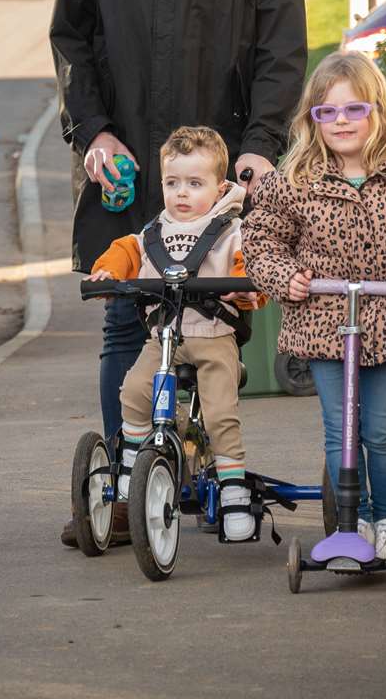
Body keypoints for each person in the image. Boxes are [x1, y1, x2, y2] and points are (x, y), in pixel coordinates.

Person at [49, 0, 306, 542]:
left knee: (214, 331)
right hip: (129, 173)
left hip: (218, 181)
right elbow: (72, 40)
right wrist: (92, 130)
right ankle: (127, 496)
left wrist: (259, 150)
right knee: (125, 327)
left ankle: (204, 470)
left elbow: (280, 54)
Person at [241, 52, 386, 567]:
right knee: (340, 427)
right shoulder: (294, 179)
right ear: (312, 119)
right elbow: (261, 242)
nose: (340, 121)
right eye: (327, 112)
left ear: (378, 111)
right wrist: (285, 277)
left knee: (382, 429)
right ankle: (353, 519)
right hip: (321, 323)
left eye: (353, 109)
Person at [87, 127, 264, 541]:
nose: (181, 193)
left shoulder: (232, 232)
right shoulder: (153, 233)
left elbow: (249, 266)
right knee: (133, 392)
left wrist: (243, 284)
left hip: (215, 336)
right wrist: (108, 272)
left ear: (220, 188)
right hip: (165, 339)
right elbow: (126, 250)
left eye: (194, 184)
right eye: (172, 183)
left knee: (221, 412)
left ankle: (234, 489)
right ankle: (131, 468)